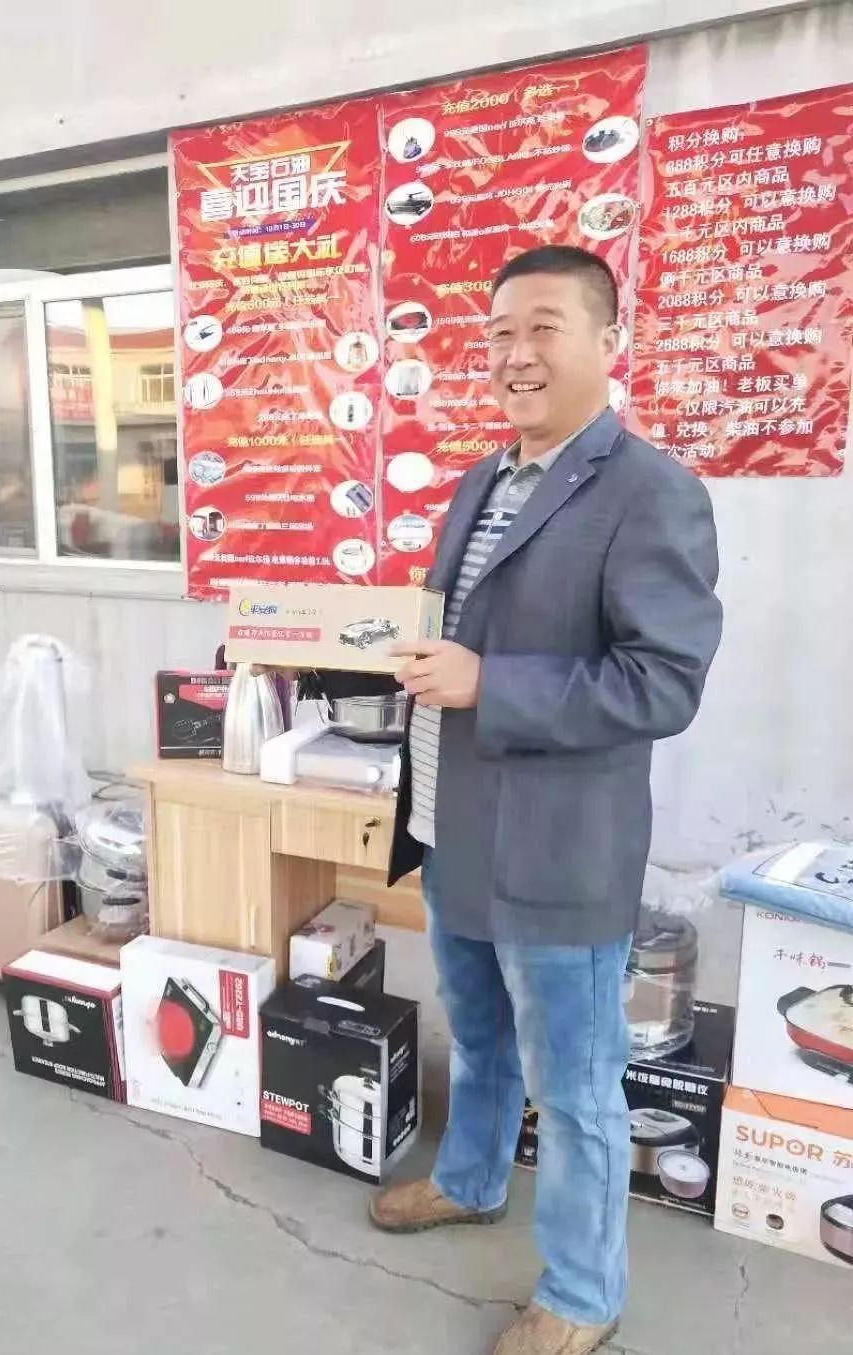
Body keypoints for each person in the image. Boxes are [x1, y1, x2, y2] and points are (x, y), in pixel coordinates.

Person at [374, 245, 723, 1355]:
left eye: (543, 328)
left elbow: (662, 682)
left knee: (575, 1086)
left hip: (561, 849)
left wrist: (490, 682)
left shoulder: (652, 491)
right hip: (456, 825)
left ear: (609, 341)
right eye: (498, 334)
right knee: (478, 1037)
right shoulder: (482, 479)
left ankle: (581, 1291)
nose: (514, 355)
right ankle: (471, 1179)